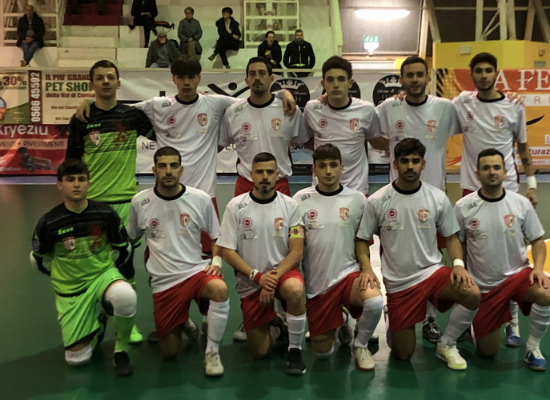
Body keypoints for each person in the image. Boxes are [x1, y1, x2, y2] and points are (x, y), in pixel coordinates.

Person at [357, 138, 481, 370]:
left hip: (432, 273)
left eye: (415, 161)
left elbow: (452, 236)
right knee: (403, 354)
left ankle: (447, 343)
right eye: (404, 161)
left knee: (471, 292)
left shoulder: (437, 198)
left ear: (423, 164)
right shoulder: (377, 201)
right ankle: (392, 316)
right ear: (395, 164)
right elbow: (362, 240)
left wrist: (458, 264)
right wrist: (367, 269)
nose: (410, 166)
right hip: (399, 283)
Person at [66, 60, 155, 344]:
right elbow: (72, 163)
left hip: (125, 204)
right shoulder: (81, 119)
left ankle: (127, 326)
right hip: (92, 206)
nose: (105, 81)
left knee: (125, 264)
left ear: (118, 83)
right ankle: (94, 318)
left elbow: (164, 134)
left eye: (110, 77)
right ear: (91, 84)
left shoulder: (132, 116)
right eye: (100, 78)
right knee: (91, 265)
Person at [453, 52, 537, 345]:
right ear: (471, 75)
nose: (484, 75)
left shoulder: (514, 105)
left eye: (488, 70)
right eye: (478, 70)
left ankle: (512, 323)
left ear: (496, 73)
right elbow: (428, 106)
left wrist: (532, 184)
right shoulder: (462, 102)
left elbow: (523, 148)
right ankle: (468, 312)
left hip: (508, 188)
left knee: (510, 254)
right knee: (471, 251)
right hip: (471, 187)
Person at [376, 55, 462, 342]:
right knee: (393, 256)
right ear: (401, 80)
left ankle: (429, 318)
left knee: (432, 258)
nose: (414, 80)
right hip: (397, 200)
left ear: (428, 77)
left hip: (433, 199)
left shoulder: (445, 108)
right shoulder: (388, 108)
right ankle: (393, 303)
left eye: (419, 74)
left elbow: (477, 113)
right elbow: (368, 131)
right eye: (409, 75)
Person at [126, 146, 230, 376]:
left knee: (220, 289)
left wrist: (216, 262)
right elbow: (130, 237)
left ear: (181, 170)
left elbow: (217, 236)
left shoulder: (200, 199)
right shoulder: (140, 202)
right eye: (162, 166)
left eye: (174, 166)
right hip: (164, 281)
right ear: (154, 170)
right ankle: (183, 322)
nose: (168, 171)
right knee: (170, 352)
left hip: (196, 272)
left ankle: (212, 352)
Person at [30, 159, 137, 376]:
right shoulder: (48, 222)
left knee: (125, 295)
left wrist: (112, 273)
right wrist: (59, 275)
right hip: (70, 289)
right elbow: (38, 259)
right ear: (60, 184)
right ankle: (98, 326)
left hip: (101, 276)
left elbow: (123, 249)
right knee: (77, 360)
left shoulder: (105, 214)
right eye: (70, 180)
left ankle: (121, 351)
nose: (76, 184)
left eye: (81, 179)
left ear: (89, 183)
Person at [454, 148, 550, 371]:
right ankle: (475, 322)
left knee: (546, 292)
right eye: (486, 168)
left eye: (497, 167)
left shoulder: (521, 204)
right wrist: (460, 266)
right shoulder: (463, 207)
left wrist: (537, 268)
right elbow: (457, 242)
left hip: (517, 277)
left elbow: (537, 241)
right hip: (484, 287)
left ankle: (532, 348)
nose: (492, 172)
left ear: (505, 172)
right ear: (477, 173)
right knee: (488, 353)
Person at [293, 144, 384, 370]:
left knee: (375, 301)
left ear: (342, 168)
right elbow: (294, 245)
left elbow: (363, 241)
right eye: (322, 166)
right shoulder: (299, 200)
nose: (328, 171)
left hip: (348, 276)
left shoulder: (358, 199)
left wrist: (367, 269)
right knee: (324, 354)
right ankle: (342, 319)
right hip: (318, 287)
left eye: (333, 165)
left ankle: (360, 345)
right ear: (313, 170)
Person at [217, 152, 307, 375]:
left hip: (282, 274)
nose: (264, 176)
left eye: (269, 172)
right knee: (259, 352)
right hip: (251, 281)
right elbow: (227, 251)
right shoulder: (236, 206)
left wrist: (272, 279)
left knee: (295, 289)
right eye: (259, 172)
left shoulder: (290, 205)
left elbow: (297, 251)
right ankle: (277, 327)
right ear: (251, 175)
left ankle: (295, 350)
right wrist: (257, 277)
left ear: (277, 174)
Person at [219, 57, 309, 197]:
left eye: (262, 73)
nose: (257, 78)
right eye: (252, 74)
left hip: (278, 185)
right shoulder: (233, 112)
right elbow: (219, 145)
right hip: (246, 185)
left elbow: (306, 141)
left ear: (271, 78)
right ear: (247, 80)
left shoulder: (289, 109)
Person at [304, 56, 387, 196]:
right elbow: (305, 140)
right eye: (330, 80)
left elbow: (376, 141)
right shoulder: (312, 109)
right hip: (321, 189)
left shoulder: (366, 110)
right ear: (323, 84)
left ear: (350, 83)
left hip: (356, 190)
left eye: (341, 79)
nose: (336, 84)